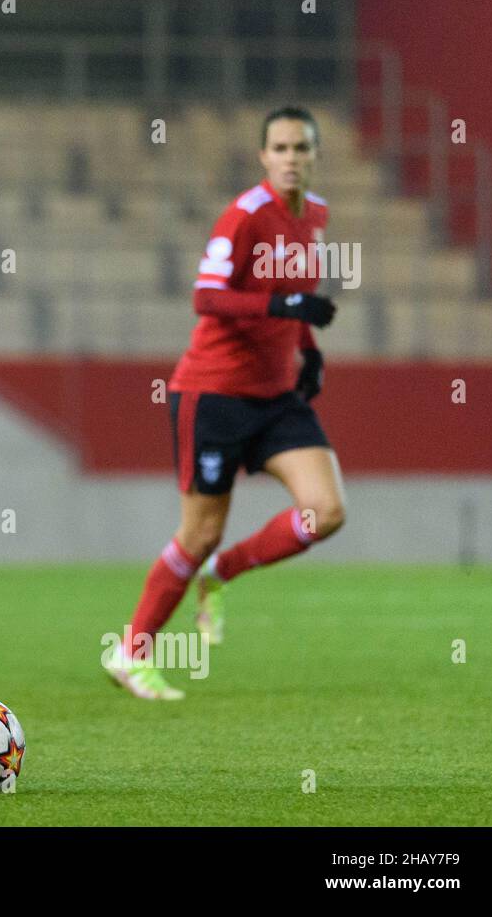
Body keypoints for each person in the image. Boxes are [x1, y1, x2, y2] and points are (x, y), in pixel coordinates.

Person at [105, 106, 346, 700]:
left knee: (326, 510)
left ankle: (224, 574)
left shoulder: (315, 216)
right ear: (264, 156)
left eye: (302, 148)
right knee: (198, 533)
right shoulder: (244, 215)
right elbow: (207, 297)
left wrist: (307, 349)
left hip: (277, 397)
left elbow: (294, 294)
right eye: (281, 148)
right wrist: (283, 311)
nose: (292, 157)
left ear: (315, 155)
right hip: (213, 393)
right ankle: (131, 653)